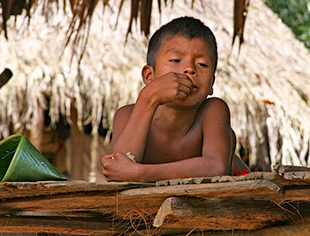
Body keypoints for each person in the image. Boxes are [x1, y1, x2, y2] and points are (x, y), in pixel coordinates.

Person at [100, 16, 250, 182]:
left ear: (212, 84)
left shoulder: (213, 110)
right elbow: (118, 171)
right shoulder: (126, 115)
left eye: (202, 64)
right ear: (149, 76)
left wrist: (140, 173)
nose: (189, 69)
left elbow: (216, 167)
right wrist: (148, 97)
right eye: (175, 60)